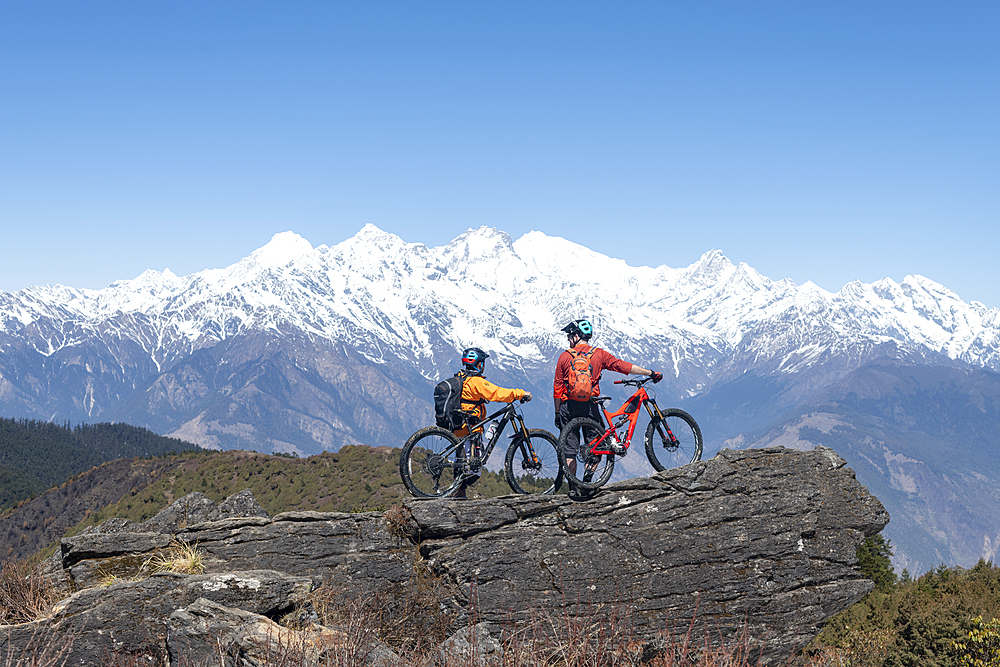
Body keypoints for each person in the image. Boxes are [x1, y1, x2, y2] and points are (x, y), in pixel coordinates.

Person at [553, 319, 662, 497]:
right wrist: (649, 372)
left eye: (569, 336)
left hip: (568, 406)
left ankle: (572, 488)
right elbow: (624, 367)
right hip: (590, 405)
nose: (567, 340)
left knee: (569, 449)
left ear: (575, 336)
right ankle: (587, 484)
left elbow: (557, 388)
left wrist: (557, 412)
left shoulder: (564, 357)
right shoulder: (599, 354)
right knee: (598, 443)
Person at [451, 347, 533, 498]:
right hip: (469, 428)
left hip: (460, 426)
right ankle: (456, 491)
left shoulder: (462, 378)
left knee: (464, 460)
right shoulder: (476, 382)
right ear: (478, 364)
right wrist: (521, 393)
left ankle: (459, 494)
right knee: (473, 468)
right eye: (482, 362)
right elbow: (497, 393)